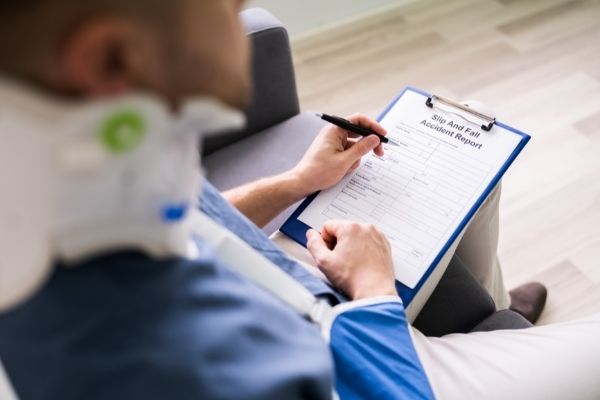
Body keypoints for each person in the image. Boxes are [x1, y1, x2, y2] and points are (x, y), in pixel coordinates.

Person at [0, 0, 599, 399]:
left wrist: (298, 181)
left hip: (306, 299)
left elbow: (192, 225)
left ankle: (492, 318)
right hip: (375, 368)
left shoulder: (77, 162)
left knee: (475, 150)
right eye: (228, 5)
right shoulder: (160, 364)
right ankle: (488, 341)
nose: (243, 18)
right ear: (112, 57)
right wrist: (374, 294)